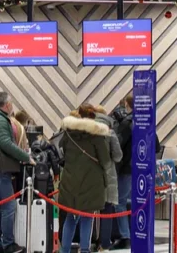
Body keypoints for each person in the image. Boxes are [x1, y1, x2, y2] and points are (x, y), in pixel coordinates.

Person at [57, 105, 112, 253]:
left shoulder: (68, 133)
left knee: (70, 216)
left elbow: (61, 151)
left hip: (70, 180)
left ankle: (65, 250)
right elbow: (105, 160)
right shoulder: (97, 135)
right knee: (87, 217)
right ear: (93, 115)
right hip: (91, 182)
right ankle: (85, 250)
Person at [0, 92, 32, 253]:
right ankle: (8, 244)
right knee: (9, 206)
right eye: (11, 104)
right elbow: (6, 143)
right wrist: (26, 157)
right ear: (7, 105)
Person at [91, 105, 123, 251]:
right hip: (108, 175)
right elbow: (118, 156)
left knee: (88, 210)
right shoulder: (110, 133)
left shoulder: (89, 130)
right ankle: (104, 243)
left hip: (91, 174)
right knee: (107, 209)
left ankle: (89, 242)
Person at [109, 94, 133, 248]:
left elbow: (117, 146)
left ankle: (125, 237)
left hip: (125, 168)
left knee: (120, 203)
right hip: (140, 168)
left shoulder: (126, 123)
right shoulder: (145, 121)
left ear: (126, 105)